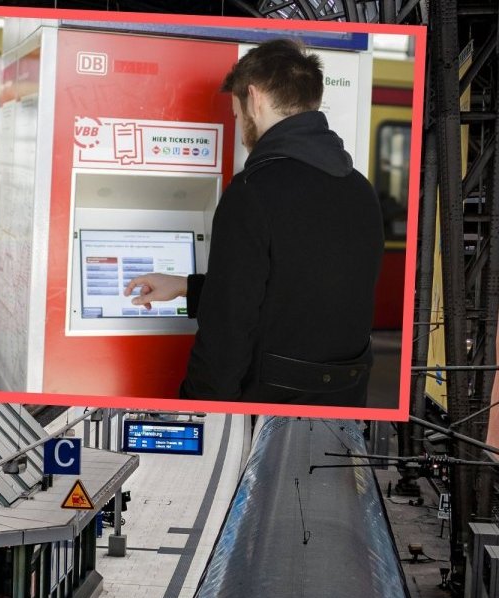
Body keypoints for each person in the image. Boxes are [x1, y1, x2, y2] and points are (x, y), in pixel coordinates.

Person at [123, 39, 382, 407]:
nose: (239, 125)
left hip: (267, 412)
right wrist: (186, 287)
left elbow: (227, 331)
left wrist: (200, 410)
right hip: (343, 407)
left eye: (235, 113)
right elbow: (299, 294)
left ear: (254, 98)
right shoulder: (360, 189)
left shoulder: (252, 191)